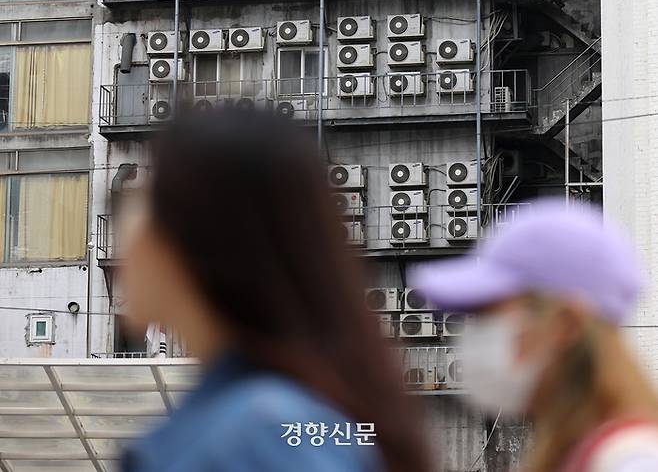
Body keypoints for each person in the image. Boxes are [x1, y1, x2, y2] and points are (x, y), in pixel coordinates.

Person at [119, 106, 430, 472]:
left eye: (140, 201)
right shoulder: (266, 417)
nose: (125, 233)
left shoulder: (260, 433)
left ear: (196, 236)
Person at [410, 199, 658, 472]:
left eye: (488, 316)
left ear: (566, 323)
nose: (473, 334)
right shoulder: (579, 450)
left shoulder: (628, 461)